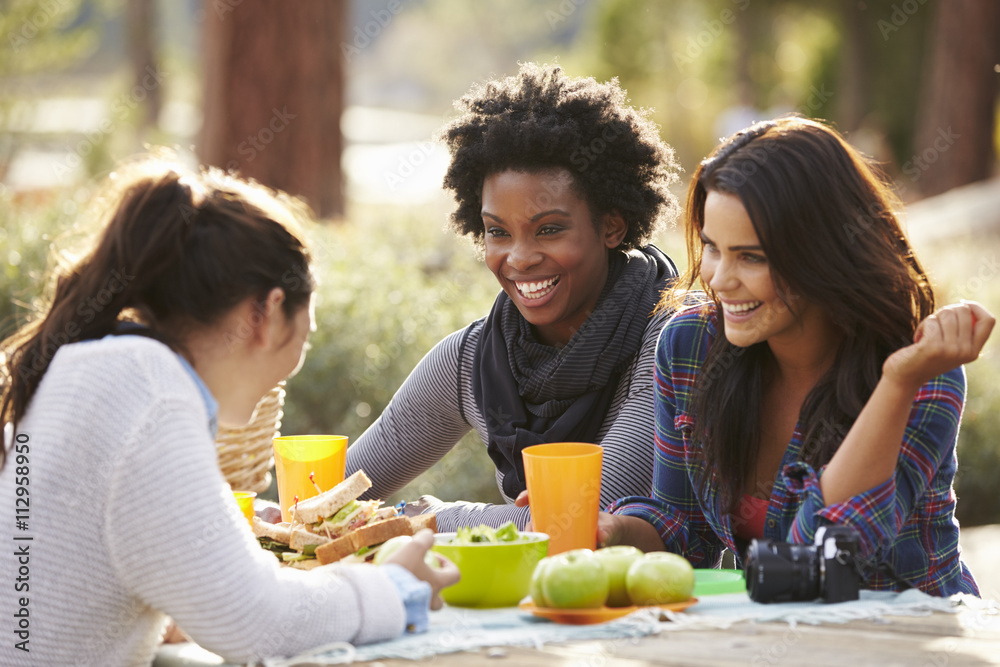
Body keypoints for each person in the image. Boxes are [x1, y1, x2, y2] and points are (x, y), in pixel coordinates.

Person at [0, 157, 458, 666]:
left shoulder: (84, 368)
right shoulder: (151, 396)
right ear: (265, 312)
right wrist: (396, 588)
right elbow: (260, 623)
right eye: (307, 323)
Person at [599, 116, 994, 596]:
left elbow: (822, 561)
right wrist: (610, 532)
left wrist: (895, 384)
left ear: (821, 252)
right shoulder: (690, 347)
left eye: (752, 257)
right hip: (776, 637)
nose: (719, 279)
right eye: (712, 247)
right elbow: (682, 529)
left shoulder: (921, 371)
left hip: (905, 639)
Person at [344, 63, 682, 532]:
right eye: (497, 232)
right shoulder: (475, 360)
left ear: (611, 225)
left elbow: (573, 520)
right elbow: (334, 491)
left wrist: (430, 519)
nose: (519, 258)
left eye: (549, 229)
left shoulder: (673, 341)